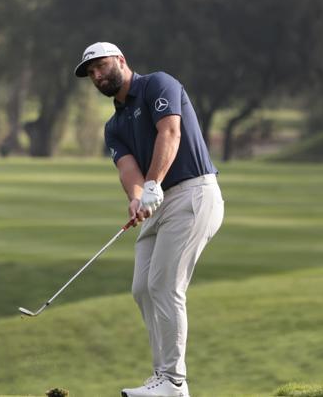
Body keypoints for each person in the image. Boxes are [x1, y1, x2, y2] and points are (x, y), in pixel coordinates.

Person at [73, 42, 224, 397]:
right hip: (159, 202)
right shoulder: (114, 126)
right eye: (90, 72)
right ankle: (162, 378)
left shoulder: (158, 84)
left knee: (164, 286)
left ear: (121, 61)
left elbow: (169, 133)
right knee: (142, 288)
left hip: (193, 192)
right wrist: (137, 198)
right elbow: (128, 169)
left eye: (100, 66)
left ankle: (174, 381)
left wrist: (153, 185)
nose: (96, 75)